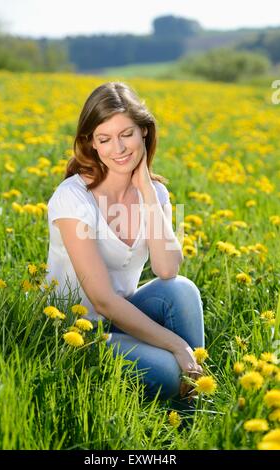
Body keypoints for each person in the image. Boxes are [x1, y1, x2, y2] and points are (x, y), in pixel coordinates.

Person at [45, 81, 205, 405]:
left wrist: (146, 190)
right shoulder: (73, 198)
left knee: (182, 290)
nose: (118, 149)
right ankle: (184, 385)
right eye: (105, 139)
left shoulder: (156, 193)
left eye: (126, 134)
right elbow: (102, 301)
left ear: (144, 131)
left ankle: (189, 409)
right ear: (91, 143)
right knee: (171, 369)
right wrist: (176, 344)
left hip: (121, 320)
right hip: (76, 332)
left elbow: (166, 268)